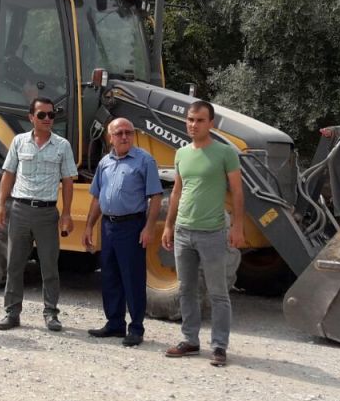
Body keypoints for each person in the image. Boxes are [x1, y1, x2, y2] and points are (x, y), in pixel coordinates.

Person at [161, 100, 245, 367]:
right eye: (190, 119)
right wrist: (168, 225)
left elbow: (238, 192)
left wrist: (238, 226)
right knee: (186, 290)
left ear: (211, 123)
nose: (193, 125)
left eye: (199, 120)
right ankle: (190, 341)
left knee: (218, 292)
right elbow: (176, 191)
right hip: (184, 232)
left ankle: (219, 346)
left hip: (212, 232)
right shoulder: (181, 153)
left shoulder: (225, 153)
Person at [0, 97, 76, 331]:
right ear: (31, 117)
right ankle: (11, 313)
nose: (48, 119)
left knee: (49, 266)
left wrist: (67, 213)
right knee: (15, 264)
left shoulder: (62, 146)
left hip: (47, 213)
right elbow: (8, 174)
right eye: (42, 115)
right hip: (20, 210)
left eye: (52, 115)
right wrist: (1, 204)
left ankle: (51, 313)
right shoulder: (19, 142)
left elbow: (68, 181)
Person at [83, 118, 162, 347]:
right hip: (108, 226)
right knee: (109, 275)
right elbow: (97, 196)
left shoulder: (145, 161)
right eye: (119, 133)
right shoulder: (104, 163)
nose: (124, 136)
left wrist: (148, 227)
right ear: (110, 137)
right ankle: (114, 324)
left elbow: (155, 196)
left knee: (133, 277)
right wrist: (89, 225)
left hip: (132, 227)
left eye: (129, 132)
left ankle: (136, 328)